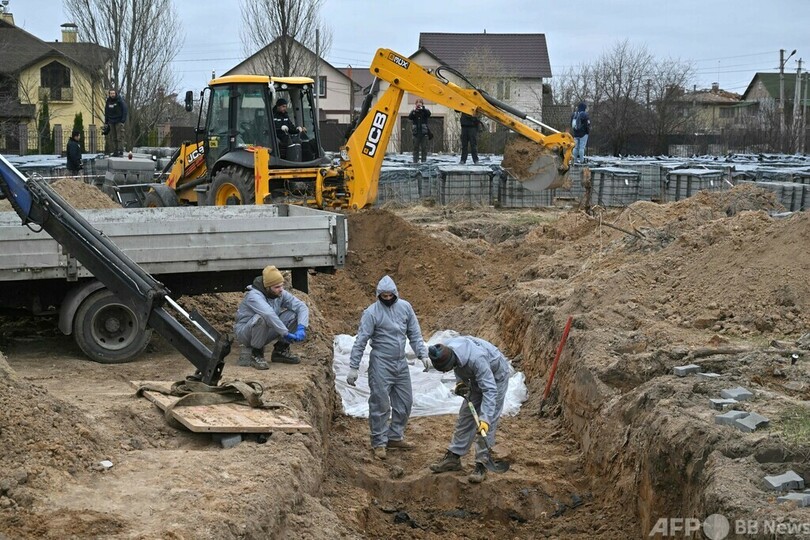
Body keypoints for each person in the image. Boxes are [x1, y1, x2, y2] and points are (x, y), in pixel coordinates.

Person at [346, 276, 429, 461]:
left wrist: (422, 354)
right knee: (380, 403)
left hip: (400, 362)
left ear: (395, 294)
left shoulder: (405, 308)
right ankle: (379, 442)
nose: (387, 298)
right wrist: (353, 366)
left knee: (405, 402)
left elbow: (414, 333)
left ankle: (394, 436)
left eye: (390, 295)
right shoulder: (372, 313)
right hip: (381, 363)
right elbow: (361, 340)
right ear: (378, 295)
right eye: (383, 295)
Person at [427, 335, 509, 483]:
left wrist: (484, 419)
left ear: (452, 360)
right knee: (466, 415)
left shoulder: (477, 360)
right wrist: (460, 383)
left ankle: (482, 463)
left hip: (495, 377)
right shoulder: (446, 348)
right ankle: (454, 457)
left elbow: (490, 391)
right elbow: (458, 368)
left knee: (486, 423)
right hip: (474, 377)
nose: (447, 371)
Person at [233, 265, 309, 369]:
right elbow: (268, 314)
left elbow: (301, 306)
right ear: (267, 287)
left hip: (265, 330)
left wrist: (301, 327)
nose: (281, 290)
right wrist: (285, 333)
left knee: (294, 314)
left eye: (281, 286)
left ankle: (280, 350)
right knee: (262, 318)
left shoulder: (278, 293)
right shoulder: (254, 296)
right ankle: (256, 354)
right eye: (277, 287)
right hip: (246, 334)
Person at [104, 88, 127, 157]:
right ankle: (115, 151)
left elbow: (125, 109)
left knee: (119, 137)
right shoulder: (108, 101)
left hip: (118, 121)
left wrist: (123, 120)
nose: (112, 95)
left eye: (113, 93)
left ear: (115, 93)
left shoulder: (120, 100)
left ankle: (121, 150)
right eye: (111, 93)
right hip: (111, 121)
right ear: (109, 94)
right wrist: (106, 121)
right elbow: (106, 111)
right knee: (113, 137)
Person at [408, 99, 431, 163]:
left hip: (424, 133)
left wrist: (423, 109)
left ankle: (424, 161)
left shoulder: (425, 111)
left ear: (422, 104)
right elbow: (410, 117)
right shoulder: (414, 111)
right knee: (415, 148)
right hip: (416, 133)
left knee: (424, 148)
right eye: (417, 103)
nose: (419, 104)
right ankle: (415, 161)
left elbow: (429, 114)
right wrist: (414, 111)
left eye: (420, 102)